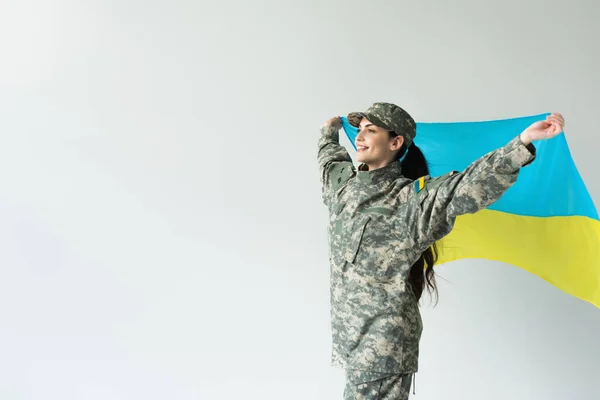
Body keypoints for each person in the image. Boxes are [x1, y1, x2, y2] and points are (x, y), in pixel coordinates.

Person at [317, 102, 565, 400]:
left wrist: (521, 143)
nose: (359, 136)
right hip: (351, 341)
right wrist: (329, 131)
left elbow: (468, 185)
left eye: (371, 130)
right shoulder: (343, 188)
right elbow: (329, 161)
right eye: (359, 130)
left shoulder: (412, 200)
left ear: (395, 143)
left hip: (383, 345)